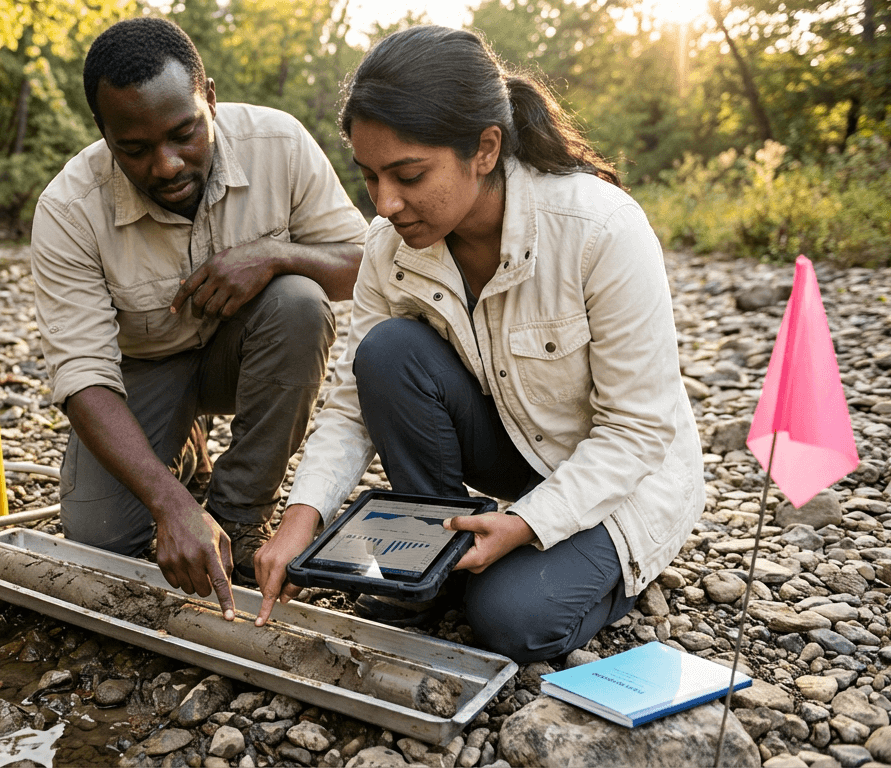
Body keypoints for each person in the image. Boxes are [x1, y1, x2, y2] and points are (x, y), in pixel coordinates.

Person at [252, 25, 704, 662]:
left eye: (408, 175)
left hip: (624, 476)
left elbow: (636, 430)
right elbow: (353, 405)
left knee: (510, 620)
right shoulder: (390, 248)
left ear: (485, 149)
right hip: (514, 447)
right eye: (370, 176)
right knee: (387, 351)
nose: (385, 203)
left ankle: (612, 567)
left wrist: (525, 525)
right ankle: (437, 557)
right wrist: (302, 517)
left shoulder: (601, 229)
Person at [30, 18, 367, 620]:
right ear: (104, 135)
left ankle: (239, 515)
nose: (165, 165)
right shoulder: (67, 209)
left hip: (244, 358)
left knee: (299, 300)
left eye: (184, 134)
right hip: (143, 372)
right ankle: (181, 455)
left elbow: (369, 265)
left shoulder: (280, 144)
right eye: (134, 148)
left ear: (209, 98)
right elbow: (82, 378)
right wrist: (168, 503)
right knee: (101, 543)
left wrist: (275, 254)